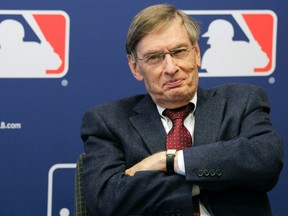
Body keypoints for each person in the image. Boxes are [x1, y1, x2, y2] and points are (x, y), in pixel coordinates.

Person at [80, 4, 283, 216]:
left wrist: (170, 160)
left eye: (179, 52)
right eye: (154, 57)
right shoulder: (108, 120)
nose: (170, 68)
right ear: (135, 67)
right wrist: (213, 176)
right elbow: (106, 200)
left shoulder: (241, 101)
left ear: (196, 53)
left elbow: (265, 160)